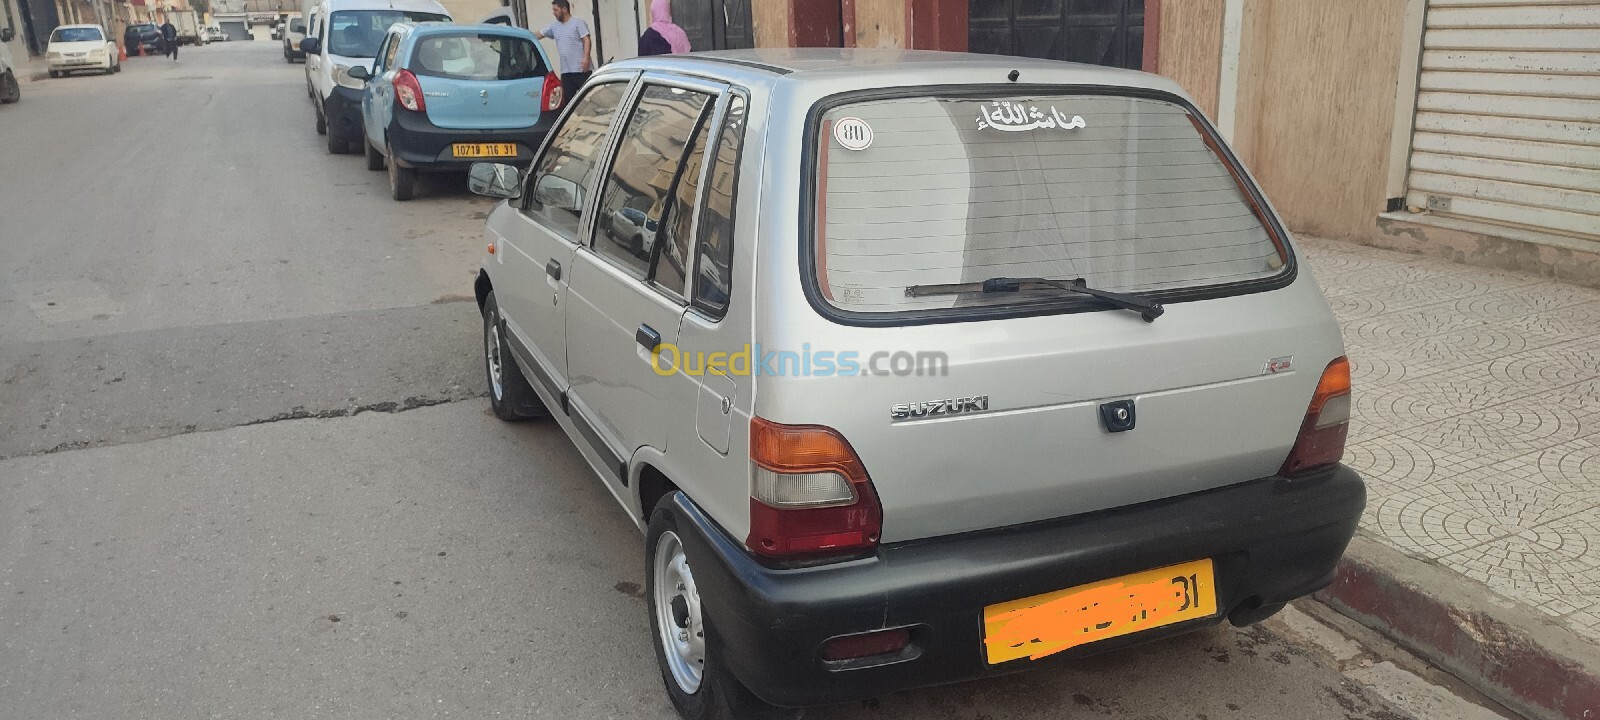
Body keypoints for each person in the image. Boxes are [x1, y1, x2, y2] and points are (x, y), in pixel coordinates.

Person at [538, 0, 591, 108]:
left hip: (581, 69)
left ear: (564, 9)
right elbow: (539, 34)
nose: (554, 12)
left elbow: (586, 40)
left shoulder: (578, 23)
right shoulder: (554, 27)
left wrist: (586, 58)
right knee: (568, 103)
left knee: (587, 99)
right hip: (566, 72)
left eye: (556, 10)